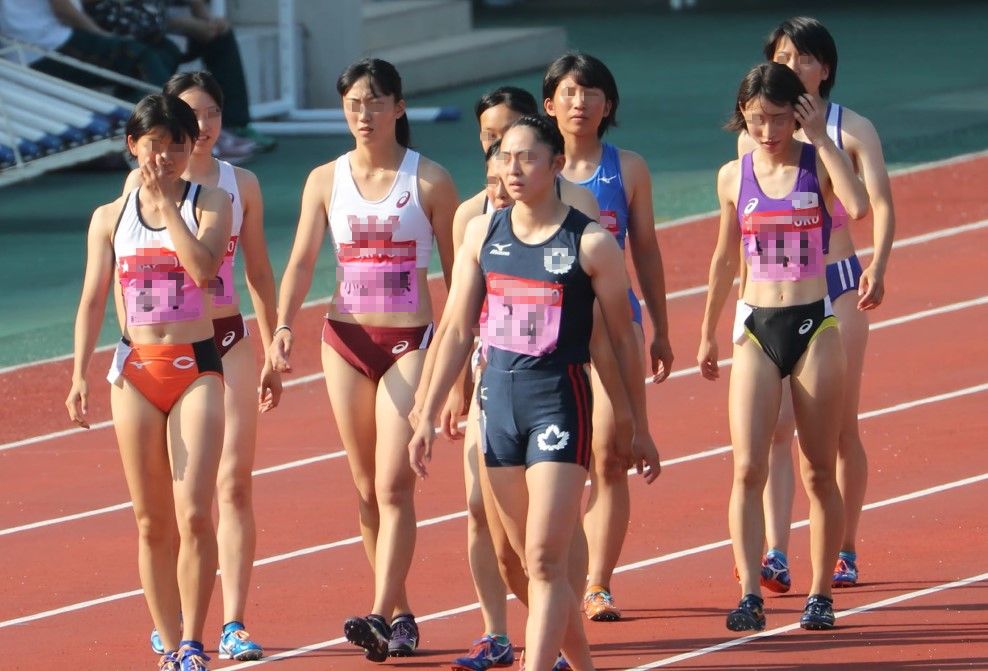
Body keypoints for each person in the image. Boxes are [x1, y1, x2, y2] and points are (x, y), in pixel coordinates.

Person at [409, 115, 660, 671]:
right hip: (496, 406)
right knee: (521, 563)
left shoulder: (590, 244)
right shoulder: (481, 233)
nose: (513, 168)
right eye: (505, 157)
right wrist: (424, 415)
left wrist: (638, 426)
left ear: (556, 165)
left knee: (547, 560)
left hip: (559, 403)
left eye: (527, 157)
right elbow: (455, 329)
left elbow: (619, 340)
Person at [268, 57, 457, 663]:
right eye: (353, 103)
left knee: (394, 482)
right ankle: (399, 614)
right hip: (345, 341)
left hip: (408, 344)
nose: (363, 114)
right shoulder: (325, 179)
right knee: (364, 490)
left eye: (375, 102)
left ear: (399, 107)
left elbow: (461, 278)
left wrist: (462, 365)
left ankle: (377, 613)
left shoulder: (429, 181)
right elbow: (300, 260)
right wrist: (279, 327)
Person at [698, 62, 868, 631]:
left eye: (778, 118)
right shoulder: (732, 177)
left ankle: (821, 592)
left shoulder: (816, 164)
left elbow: (860, 206)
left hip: (813, 324)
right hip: (755, 327)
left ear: (797, 115)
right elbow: (725, 258)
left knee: (819, 469)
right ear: (741, 116)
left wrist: (820, 136)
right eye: (756, 118)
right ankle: (749, 591)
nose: (768, 130)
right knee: (746, 467)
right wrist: (705, 331)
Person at [66, 93, 232, 670]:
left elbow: (204, 269)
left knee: (193, 512)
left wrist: (166, 209)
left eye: (176, 145)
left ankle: (193, 639)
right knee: (150, 517)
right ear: (133, 146)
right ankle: (166, 637)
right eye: (153, 143)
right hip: (135, 370)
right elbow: (91, 299)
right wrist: (78, 373)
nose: (164, 155)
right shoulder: (108, 218)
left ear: (190, 150)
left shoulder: (209, 202)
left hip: (194, 367)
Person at [121, 70, 281, 662]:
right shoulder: (135, 193)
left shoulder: (236, 187)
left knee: (232, 484)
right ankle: (174, 624)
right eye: (191, 116)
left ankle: (232, 622)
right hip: (160, 353)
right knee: (165, 508)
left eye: (211, 114)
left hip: (225, 342)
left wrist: (276, 338)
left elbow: (257, 271)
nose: (203, 126)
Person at [738, 16, 896, 594]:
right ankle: (776, 550)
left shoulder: (851, 128)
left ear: (824, 67)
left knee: (834, 432)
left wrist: (877, 264)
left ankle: (844, 547)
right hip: (769, 293)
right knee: (774, 429)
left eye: (805, 57)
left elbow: (876, 201)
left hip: (836, 283)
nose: (794, 66)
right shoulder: (756, 131)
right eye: (784, 56)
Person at [543, 51, 674, 622]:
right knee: (556, 463)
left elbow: (645, 250)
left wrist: (663, 328)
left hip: (617, 325)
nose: (579, 102)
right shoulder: (530, 168)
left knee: (610, 454)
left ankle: (597, 583)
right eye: (569, 92)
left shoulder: (629, 169)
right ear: (548, 104)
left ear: (608, 105)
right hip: (550, 332)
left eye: (590, 92)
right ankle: (563, 569)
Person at [0, 0, 176, 95]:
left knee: (163, 50)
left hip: (27, 51)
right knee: (142, 56)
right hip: (51, 44)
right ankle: (163, 124)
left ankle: (141, 117)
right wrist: (100, 34)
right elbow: (63, 10)